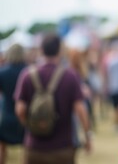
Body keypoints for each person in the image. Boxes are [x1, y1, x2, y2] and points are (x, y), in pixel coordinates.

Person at [14, 32, 92, 164]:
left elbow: (20, 109)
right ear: (60, 51)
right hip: (63, 148)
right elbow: (81, 110)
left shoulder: (27, 75)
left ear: (41, 50)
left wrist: (31, 126)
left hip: (34, 147)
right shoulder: (70, 76)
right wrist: (87, 136)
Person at [0, 44, 27, 164]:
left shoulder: (2, 72)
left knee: (1, 147)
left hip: (6, 114)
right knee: (26, 148)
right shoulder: (28, 71)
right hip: (24, 115)